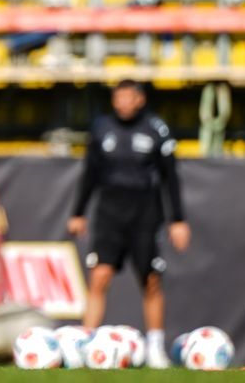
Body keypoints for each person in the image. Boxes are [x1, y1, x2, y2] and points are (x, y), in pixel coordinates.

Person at [66, 79, 190, 368]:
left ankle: (156, 347)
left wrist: (178, 220)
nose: (123, 103)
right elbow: (89, 173)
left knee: (150, 279)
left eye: (128, 97)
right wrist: (78, 212)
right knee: (99, 276)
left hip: (145, 212)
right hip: (109, 212)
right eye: (118, 97)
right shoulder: (101, 129)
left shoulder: (156, 129)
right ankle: (87, 343)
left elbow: (171, 177)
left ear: (139, 100)